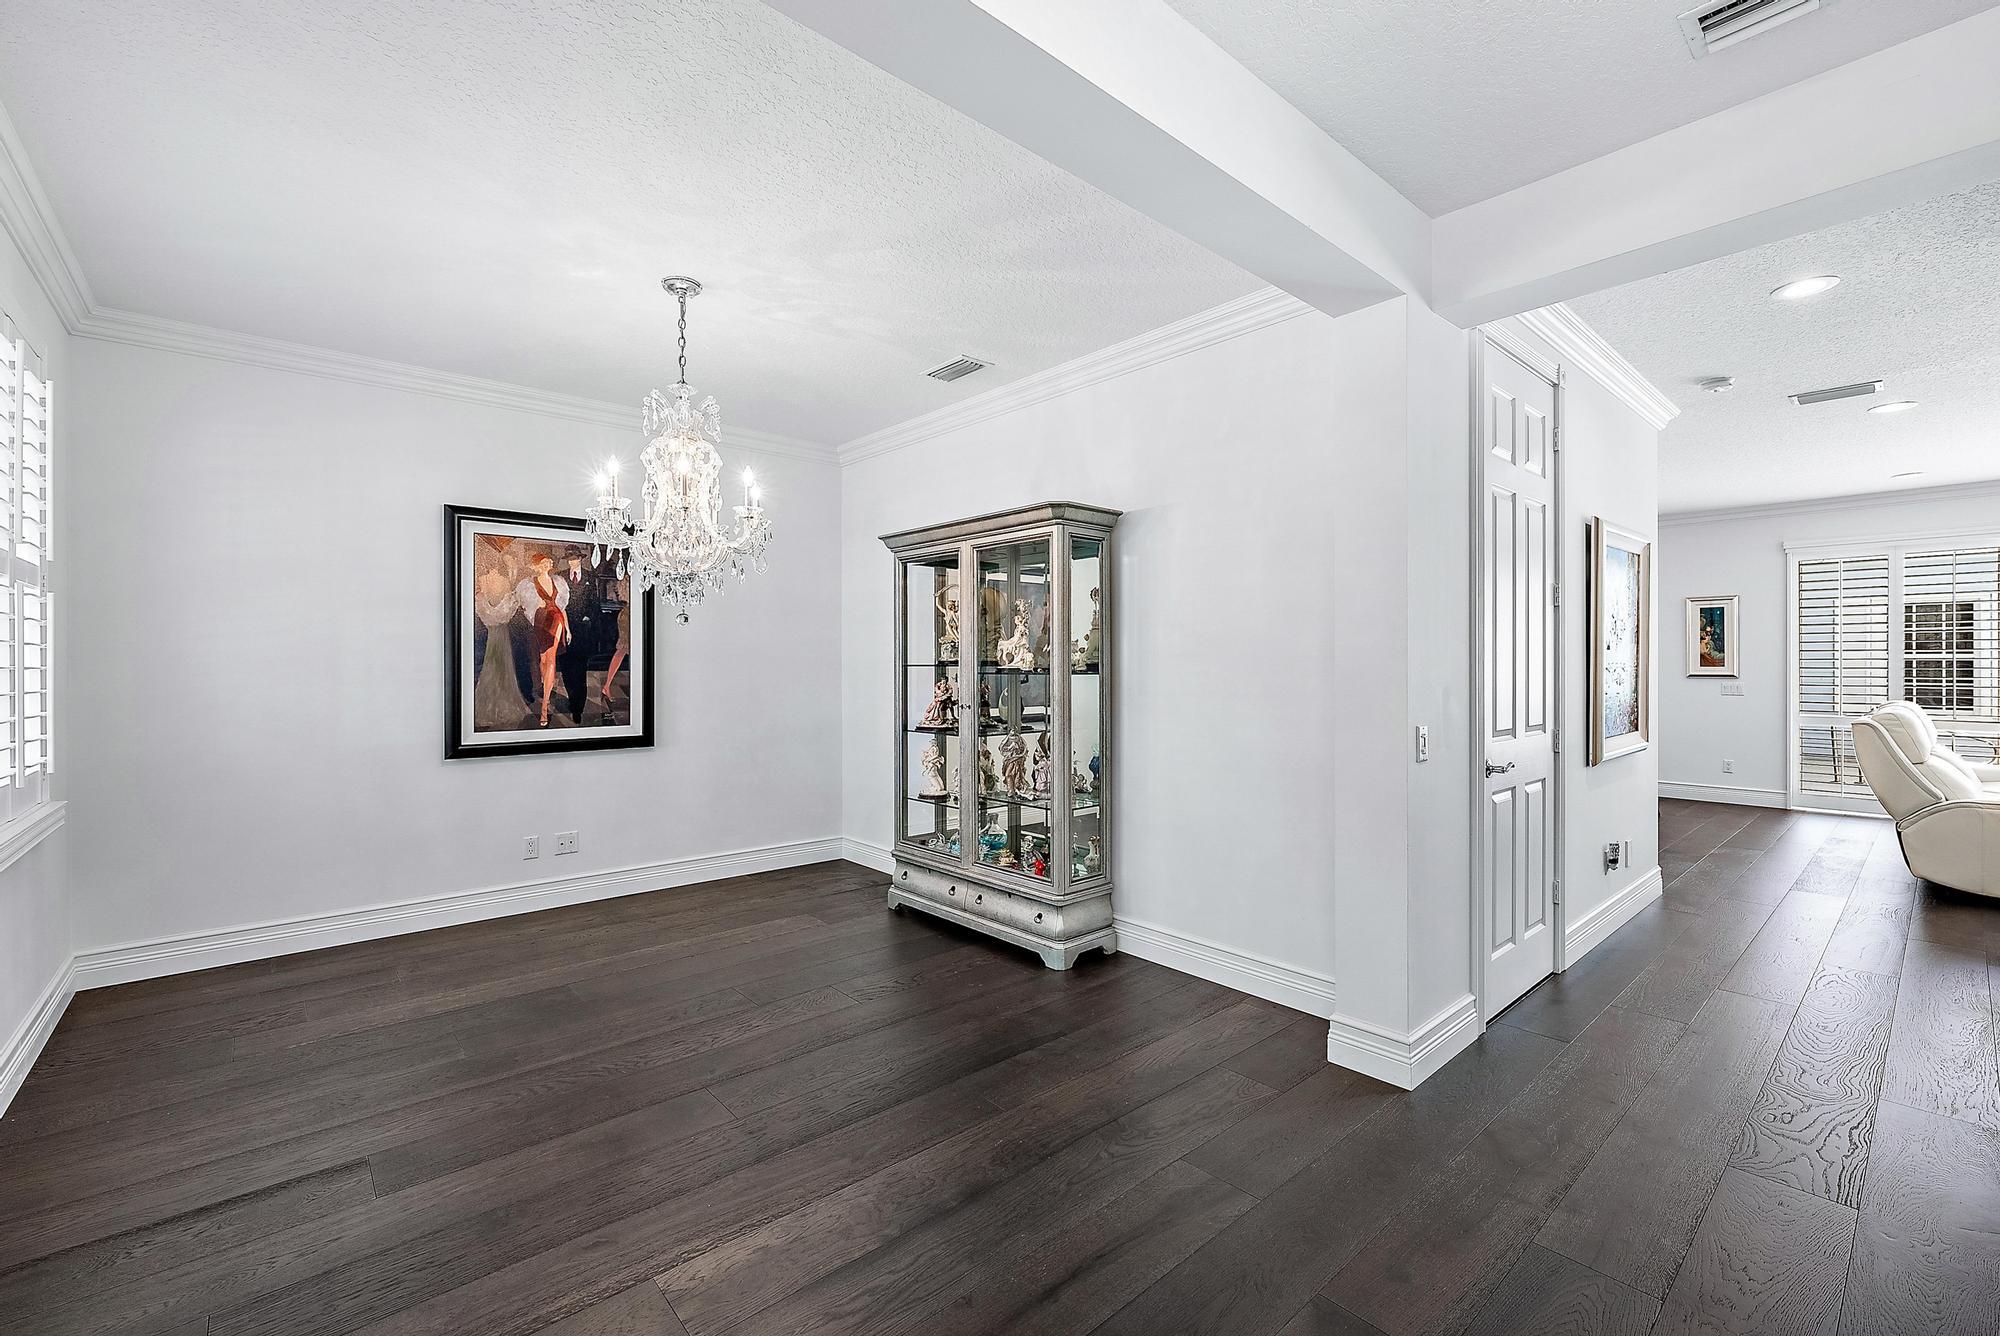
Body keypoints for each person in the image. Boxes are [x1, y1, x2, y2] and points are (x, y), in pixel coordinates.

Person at [472, 562, 529, 728]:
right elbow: (507, 606)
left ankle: (496, 696)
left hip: (495, 628)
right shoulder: (499, 581)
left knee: (495, 661)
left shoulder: (485, 580)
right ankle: (498, 696)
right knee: (498, 661)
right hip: (498, 629)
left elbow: (485, 607)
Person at [516, 553, 570, 727]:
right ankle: (542, 687)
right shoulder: (529, 585)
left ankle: (545, 707)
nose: (547, 564)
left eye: (548, 562)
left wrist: (568, 629)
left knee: (551, 660)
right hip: (540, 621)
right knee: (543, 660)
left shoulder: (559, 583)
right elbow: (527, 607)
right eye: (543, 562)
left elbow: (562, 608)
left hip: (556, 619)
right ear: (536, 565)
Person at [556, 552, 601, 724]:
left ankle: (578, 708)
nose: (572, 562)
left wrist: (588, 617)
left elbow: (594, 602)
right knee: (567, 668)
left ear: (581, 559)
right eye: (569, 559)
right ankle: (571, 698)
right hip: (565, 628)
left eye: (574, 559)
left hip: (582, 630)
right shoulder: (560, 577)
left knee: (580, 670)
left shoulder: (590, 576)